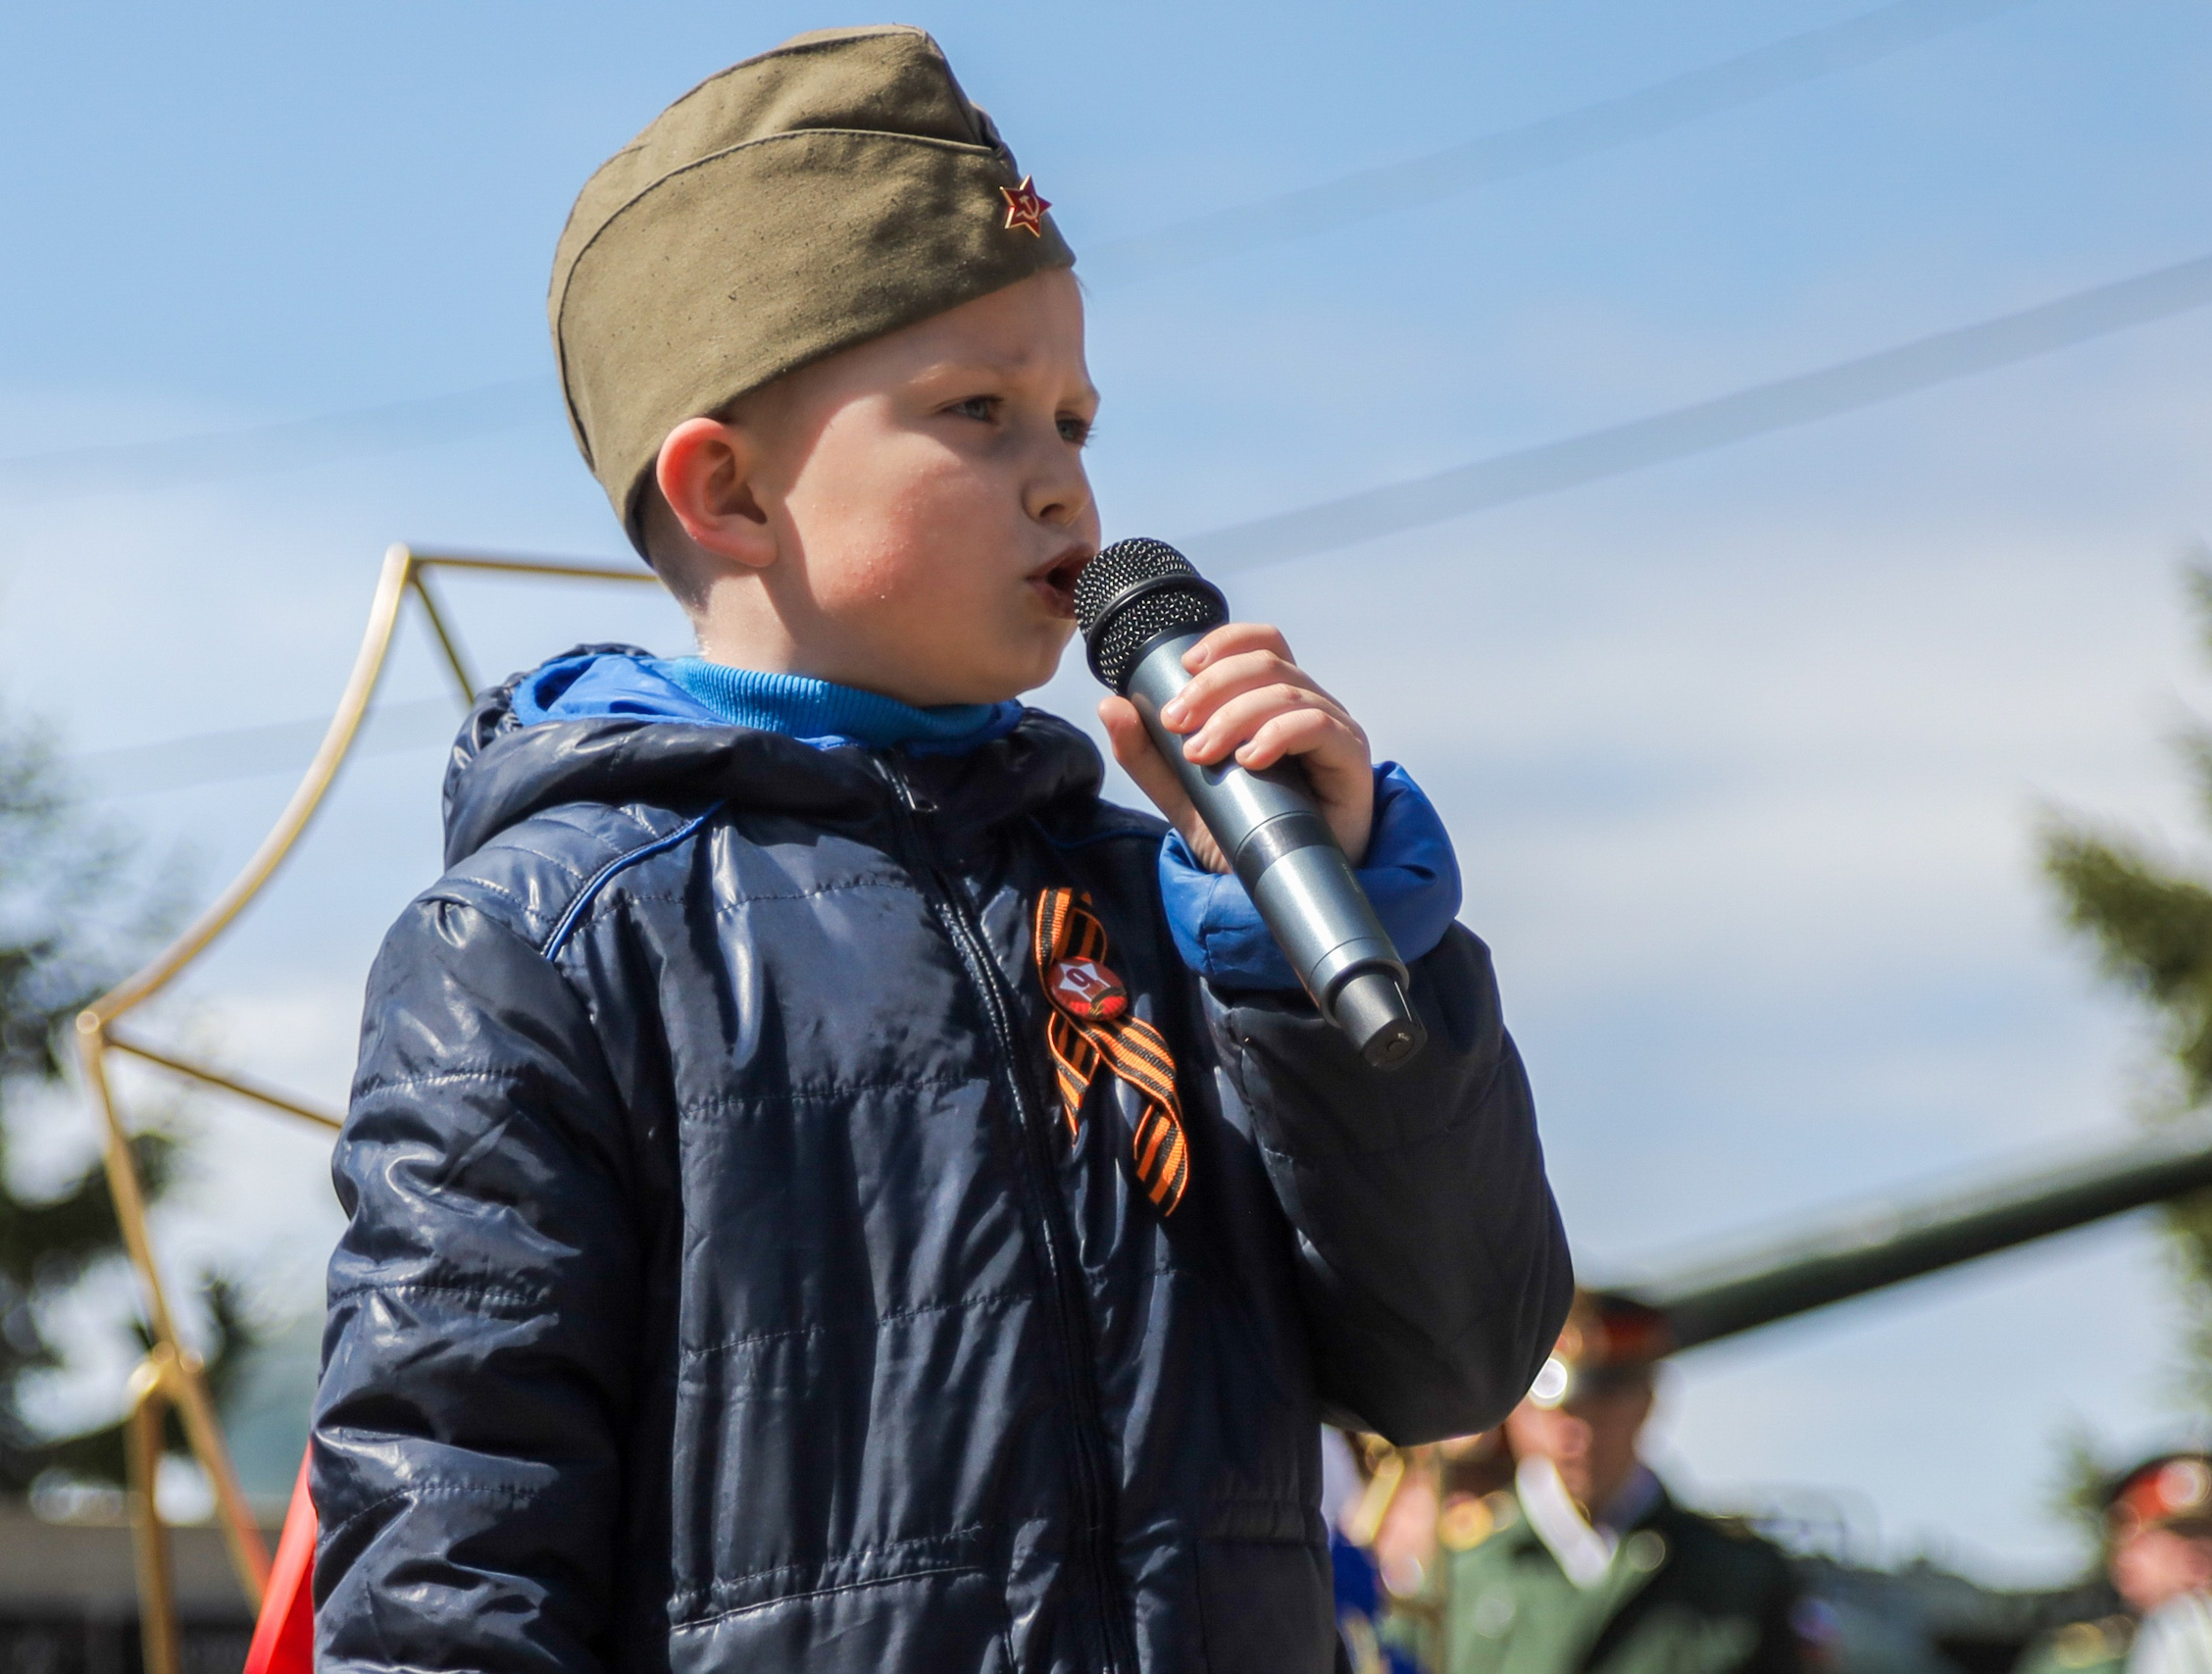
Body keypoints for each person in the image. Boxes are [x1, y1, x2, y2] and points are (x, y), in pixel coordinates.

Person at [306, 26, 1572, 1674]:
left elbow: (1452, 1356)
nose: (1066, 487)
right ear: (728, 493)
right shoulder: (552, 939)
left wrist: (1315, 935)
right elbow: (453, 1537)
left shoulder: (1165, 905)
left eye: (1074, 415)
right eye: (977, 413)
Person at [1387, 1294, 1802, 1674]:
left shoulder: (1738, 1580)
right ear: (1516, 1411)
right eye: (1560, 1407)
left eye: (1604, 1403)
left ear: (1647, 1401)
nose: (1578, 1433)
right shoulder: (1456, 1579)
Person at [2019, 1454, 2212, 1674]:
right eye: (2183, 1545)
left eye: (2208, 1538)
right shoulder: (2080, 1664)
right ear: (2128, 1564)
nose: (2203, 1562)